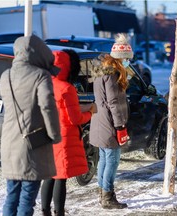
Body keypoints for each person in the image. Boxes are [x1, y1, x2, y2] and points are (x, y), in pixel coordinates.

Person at [0, 35, 61, 216]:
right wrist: (54, 134)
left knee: (11, 195)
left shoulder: (5, 76)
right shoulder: (40, 76)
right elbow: (47, 107)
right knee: (27, 197)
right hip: (31, 145)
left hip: (9, 143)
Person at [40, 50, 96, 216]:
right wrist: (91, 112)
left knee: (49, 175)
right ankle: (59, 212)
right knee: (61, 177)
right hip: (63, 138)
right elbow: (75, 119)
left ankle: (45, 211)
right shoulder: (67, 88)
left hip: (47, 134)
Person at [89, 33, 131, 209]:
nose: (129, 63)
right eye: (127, 59)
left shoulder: (103, 71)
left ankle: (103, 193)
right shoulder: (112, 75)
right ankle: (107, 197)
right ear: (121, 59)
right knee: (112, 161)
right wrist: (120, 125)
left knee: (105, 160)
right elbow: (113, 102)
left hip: (100, 121)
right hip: (109, 123)